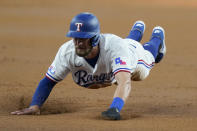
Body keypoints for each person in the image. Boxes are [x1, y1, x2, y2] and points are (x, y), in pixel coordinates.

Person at [11, 12, 166, 120]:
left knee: (146, 63)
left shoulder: (116, 48)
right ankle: (137, 29)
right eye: (75, 38)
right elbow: (48, 81)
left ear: (94, 39)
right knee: (128, 42)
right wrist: (34, 106)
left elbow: (125, 81)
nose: (78, 43)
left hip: (133, 56)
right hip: (121, 50)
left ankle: (157, 36)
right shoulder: (67, 52)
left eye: (83, 39)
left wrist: (115, 107)